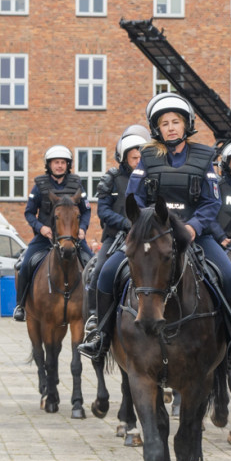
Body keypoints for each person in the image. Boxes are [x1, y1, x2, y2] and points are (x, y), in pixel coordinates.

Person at [79, 93, 231, 368]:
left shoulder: (206, 157)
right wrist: (149, 225)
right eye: (165, 123)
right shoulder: (147, 157)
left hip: (196, 235)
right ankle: (100, 334)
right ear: (157, 128)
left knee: (230, 278)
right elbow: (135, 198)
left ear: (186, 125)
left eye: (176, 122)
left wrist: (194, 227)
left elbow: (212, 201)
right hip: (151, 236)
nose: (170, 127)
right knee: (107, 273)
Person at [12, 145, 92, 322]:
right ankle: (21, 305)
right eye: (56, 162)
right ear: (49, 165)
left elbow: (86, 211)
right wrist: (41, 228)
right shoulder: (39, 185)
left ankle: (93, 309)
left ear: (67, 165)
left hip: (72, 238)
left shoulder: (77, 184)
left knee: (92, 265)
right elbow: (29, 212)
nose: (59, 166)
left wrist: (82, 229)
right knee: (25, 265)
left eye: (63, 162)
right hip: (45, 238)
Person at [83, 125, 150, 332]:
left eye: (141, 157)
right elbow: (103, 212)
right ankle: (95, 316)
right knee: (101, 270)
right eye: (134, 158)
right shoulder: (111, 180)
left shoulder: (150, 179)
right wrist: (127, 224)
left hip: (145, 238)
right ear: (124, 158)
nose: (139, 161)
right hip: (116, 238)